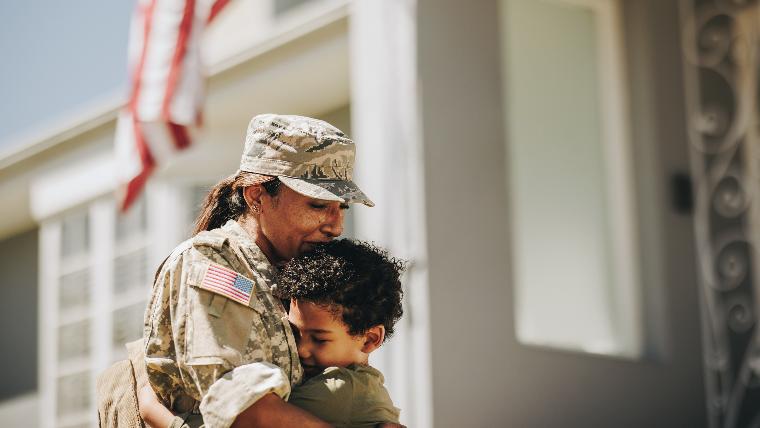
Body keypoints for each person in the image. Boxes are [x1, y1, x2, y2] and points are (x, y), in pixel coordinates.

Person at [139, 113, 375, 428]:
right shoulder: (211, 263)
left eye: (341, 207)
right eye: (318, 206)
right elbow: (248, 413)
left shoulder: (299, 271)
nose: (335, 226)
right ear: (257, 196)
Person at [142, 239, 405, 428]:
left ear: (370, 339)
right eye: (295, 333)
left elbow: (247, 418)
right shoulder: (359, 385)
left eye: (319, 338)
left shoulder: (338, 391)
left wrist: (157, 412)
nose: (301, 349)